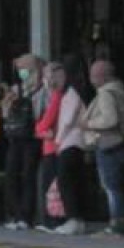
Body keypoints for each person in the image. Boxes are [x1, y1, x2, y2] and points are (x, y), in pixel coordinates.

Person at [82, 60, 124, 237]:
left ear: (103, 76)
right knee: (114, 185)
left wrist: (88, 124)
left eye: (94, 75)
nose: (91, 79)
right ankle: (117, 222)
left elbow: (110, 120)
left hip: (108, 143)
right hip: (120, 142)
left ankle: (116, 225)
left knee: (110, 186)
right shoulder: (118, 91)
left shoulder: (105, 94)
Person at [1, 53, 46, 231]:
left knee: (28, 175)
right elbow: (5, 115)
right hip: (15, 137)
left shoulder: (43, 89)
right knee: (11, 174)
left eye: (25, 68)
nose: (22, 72)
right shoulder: (15, 89)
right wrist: (7, 104)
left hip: (32, 138)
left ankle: (26, 216)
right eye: (19, 69)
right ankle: (15, 214)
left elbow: (43, 111)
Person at [52, 56, 92, 235]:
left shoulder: (72, 92)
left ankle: (72, 219)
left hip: (70, 141)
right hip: (79, 142)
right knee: (76, 181)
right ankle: (79, 220)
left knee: (65, 181)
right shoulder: (83, 90)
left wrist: (58, 140)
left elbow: (67, 120)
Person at [33, 61, 65, 231]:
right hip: (51, 146)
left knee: (49, 186)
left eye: (47, 76)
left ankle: (51, 220)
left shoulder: (56, 97)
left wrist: (39, 130)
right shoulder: (51, 96)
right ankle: (50, 219)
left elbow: (44, 123)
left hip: (53, 148)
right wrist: (40, 130)